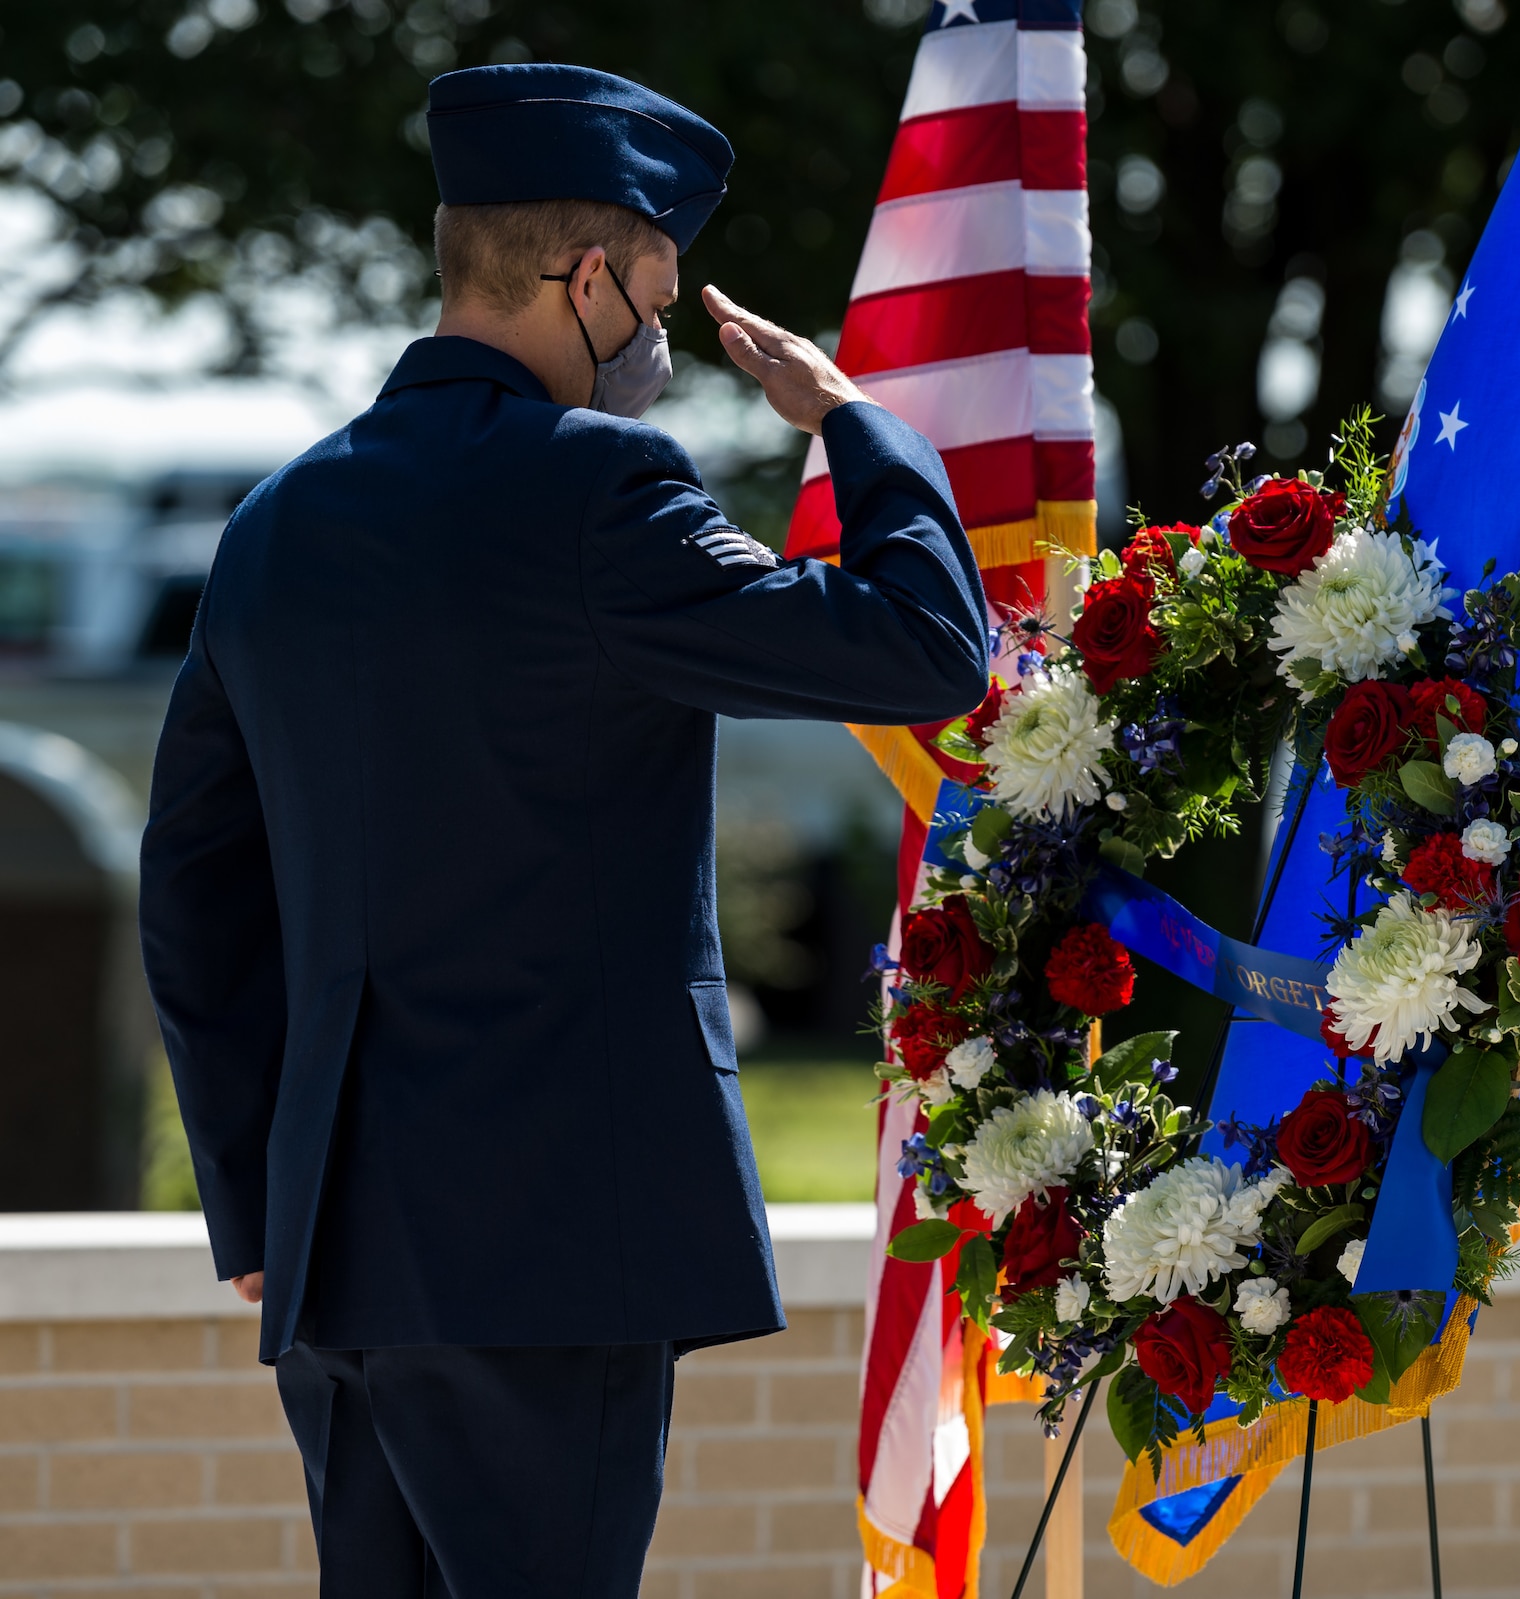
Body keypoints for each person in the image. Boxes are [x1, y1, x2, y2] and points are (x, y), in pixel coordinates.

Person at [138, 63, 986, 1598]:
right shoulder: (602, 490)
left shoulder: (273, 526)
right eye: (656, 291)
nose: (663, 336)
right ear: (588, 275)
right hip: (548, 1249)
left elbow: (194, 892)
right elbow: (926, 648)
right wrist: (857, 425)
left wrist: (260, 1194)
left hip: (339, 1255)